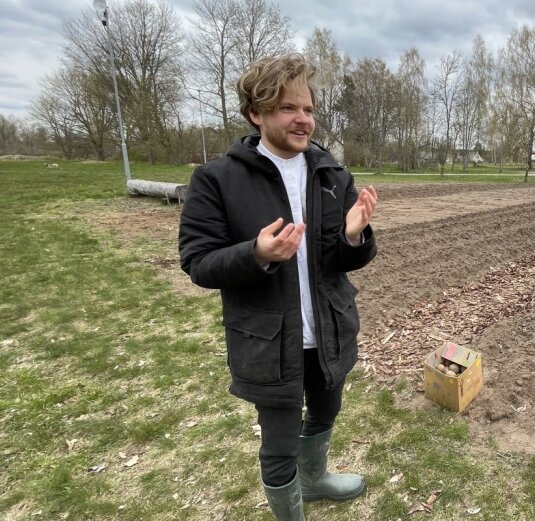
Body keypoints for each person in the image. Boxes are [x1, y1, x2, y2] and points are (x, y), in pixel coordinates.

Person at [178, 54, 378, 520]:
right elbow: (198, 262)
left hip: (329, 329)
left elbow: (345, 261)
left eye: (307, 108)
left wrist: (353, 235)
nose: (303, 119)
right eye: (288, 108)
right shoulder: (217, 180)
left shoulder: (331, 175)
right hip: (270, 341)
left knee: (326, 413)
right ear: (257, 113)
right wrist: (256, 255)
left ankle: (314, 480)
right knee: (280, 443)